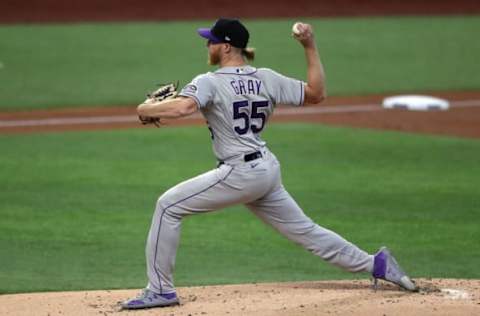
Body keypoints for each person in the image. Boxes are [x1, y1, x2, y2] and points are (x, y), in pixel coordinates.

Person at [121, 18, 417, 310]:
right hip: (265, 170)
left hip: (239, 173)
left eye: (211, 40)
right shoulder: (266, 78)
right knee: (307, 231)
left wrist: (144, 108)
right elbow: (317, 94)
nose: (207, 45)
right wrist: (310, 46)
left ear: (225, 47)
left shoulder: (208, 81)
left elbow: (184, 106)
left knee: (168, 206)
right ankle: (377, 264)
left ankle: (160, 290)